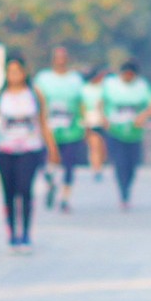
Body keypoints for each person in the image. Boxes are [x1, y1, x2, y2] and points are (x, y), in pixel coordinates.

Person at [0, 53, 48, 248]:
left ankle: (26, 233)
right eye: (10, 71)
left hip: (30, 148)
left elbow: (43, 122)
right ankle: (12, 231)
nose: (14, 75)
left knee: (25, 189)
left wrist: (51, 147)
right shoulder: (0, 95)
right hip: (5, 149)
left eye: (18, 71)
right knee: (9, 192)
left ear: (24, 72)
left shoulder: (34, 94)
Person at [96, 56, 151, 209]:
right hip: (115, 132)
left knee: (131, 165)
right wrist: (103, 118)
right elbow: (100, 103)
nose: (128, 78)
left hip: (134, 134)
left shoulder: (142, 86)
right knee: (120, 163)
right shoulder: (111, 84)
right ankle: (123, 193)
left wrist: (144, 116)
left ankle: (128, 188)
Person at [37, 43, 93, 213]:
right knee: (47, 163)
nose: (60, 61)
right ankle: (50, 183)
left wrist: (85, 124)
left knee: (69, 166)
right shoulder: (43, 79)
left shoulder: (75, 80)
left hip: (71, 131)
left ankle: (65, 198)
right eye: (58, 58)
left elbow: (82, 103)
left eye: (63, 58)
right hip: (49, 131)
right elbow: (37, 102)